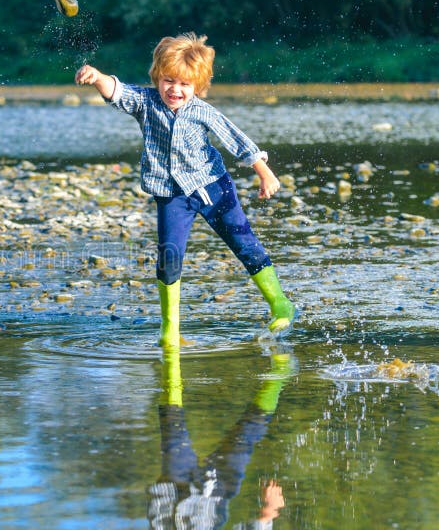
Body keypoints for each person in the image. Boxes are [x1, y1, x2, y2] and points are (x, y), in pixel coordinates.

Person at [75, 33, 295, 347]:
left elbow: (235, 139)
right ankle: (170, 329)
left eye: (184, 84)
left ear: (198, 86)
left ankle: (280, 303)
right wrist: (97, 77)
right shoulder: (146, 103)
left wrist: (264, 173)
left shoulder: (203, 111)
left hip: (212, 187)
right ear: (157, 77)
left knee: (242, 241)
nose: (175, 90)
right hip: (170, 195)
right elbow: (118, 92)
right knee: (169, 257)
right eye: (168, 81)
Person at [89, 346, 294, 530]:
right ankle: (279, 373)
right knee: (245, 435)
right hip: (215, 488)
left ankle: (169, 360)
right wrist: (267, 514)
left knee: (172, 429)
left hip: (172, 488)